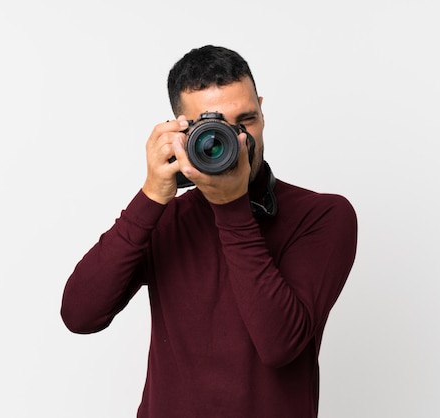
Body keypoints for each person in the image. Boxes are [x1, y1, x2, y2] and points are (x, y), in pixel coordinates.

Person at [61, 45, 358, 417]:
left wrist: (231, 209)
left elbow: (280, 345)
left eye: (246, 120)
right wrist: (151, 196)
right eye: (213, 128)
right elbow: (80, 314)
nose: (237, 141)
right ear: (181, 131)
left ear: (263, 110)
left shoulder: (323, 215)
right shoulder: (166, 216)